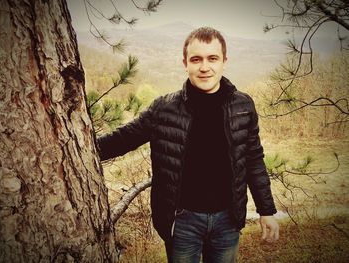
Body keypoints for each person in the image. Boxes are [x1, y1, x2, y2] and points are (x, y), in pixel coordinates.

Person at [97, 26, 279, 263]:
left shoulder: (243, 105)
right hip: (182, 221)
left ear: (224, 61)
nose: (204, 67)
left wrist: (266, 211)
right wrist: (77, 150)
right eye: (196, 59)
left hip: (228, 220)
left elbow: (254, 159)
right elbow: (122, 140)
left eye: (212, 58)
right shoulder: (164, 108)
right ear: (185, 63)